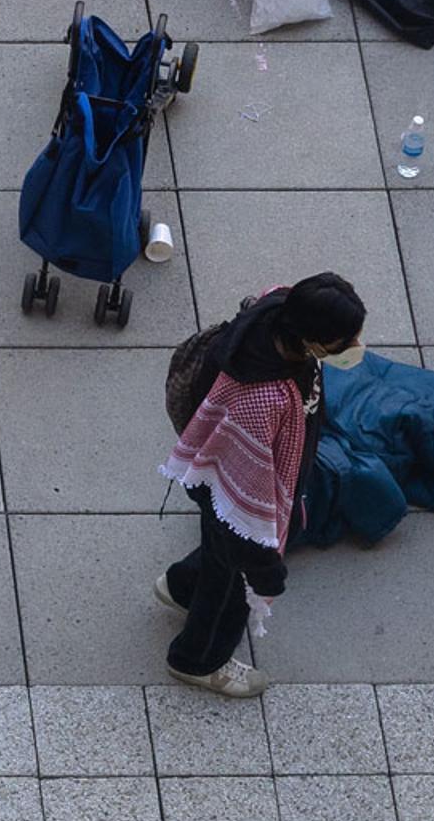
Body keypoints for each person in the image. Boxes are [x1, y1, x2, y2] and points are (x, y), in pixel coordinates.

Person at [154, 275, 370, 697]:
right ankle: (198, 660)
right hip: (227, 488)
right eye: (346, 340)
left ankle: (181, 586)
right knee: (231, 584)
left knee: (218, 554)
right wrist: (266, 571)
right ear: (313, 342)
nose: (356, 347)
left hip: (216, 481)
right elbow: (245, 501)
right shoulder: (259, 400)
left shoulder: (276, 306)